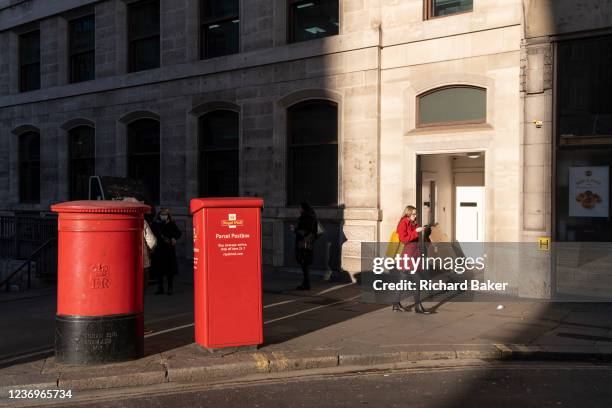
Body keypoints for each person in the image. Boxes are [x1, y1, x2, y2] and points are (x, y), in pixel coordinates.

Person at [395, 205, 431, 314]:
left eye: (416, 214)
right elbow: (404, 239)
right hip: (408, 256)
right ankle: (417, 307)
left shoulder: (413, 223)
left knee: (402, 281)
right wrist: (416, 231)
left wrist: (423, 230)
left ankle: (396, 304)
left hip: (414, 255)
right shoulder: (403, 223)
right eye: (413, 214)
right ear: (408, 213)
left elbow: (415, 236)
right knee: (418, 281)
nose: (415, 216)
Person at [151, 208, 182, 295]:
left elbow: (179, 233)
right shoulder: (155, 224)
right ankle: (160, 287)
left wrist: (174, 238)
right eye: (162, 214)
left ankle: (170, 288)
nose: (163, 216)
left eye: (165, 214)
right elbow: (151, 234)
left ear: (168, 216)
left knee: (170, 270)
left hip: (169, 249)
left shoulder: (171, 224)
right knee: (159, 270)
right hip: (159, 249)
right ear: (159, 215)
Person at [290, 202, 318, 291]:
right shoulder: (310, 216)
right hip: (307, 243)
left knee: (304, 263)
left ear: (303, 208)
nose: (299, 209)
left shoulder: (307, 218)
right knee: (304, 263)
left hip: (304, 243)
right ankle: (306, 283)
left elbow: (305, 231)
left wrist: (295, 229)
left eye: (300, 207)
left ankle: (306, 284)